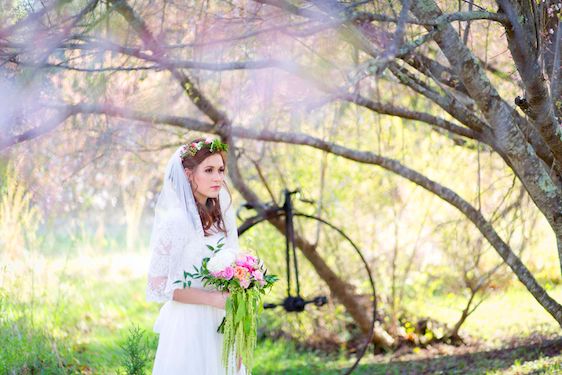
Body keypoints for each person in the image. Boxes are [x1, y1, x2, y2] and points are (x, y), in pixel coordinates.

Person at [146, 137, 247, 375]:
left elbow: (236, 263)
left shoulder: (223, 216)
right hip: (189, 325)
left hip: (224, 322)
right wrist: (212, 299)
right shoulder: (175, 220)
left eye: (221, 170)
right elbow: (158, 285)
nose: (218, 178)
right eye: (209, 170)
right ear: (189, 174)